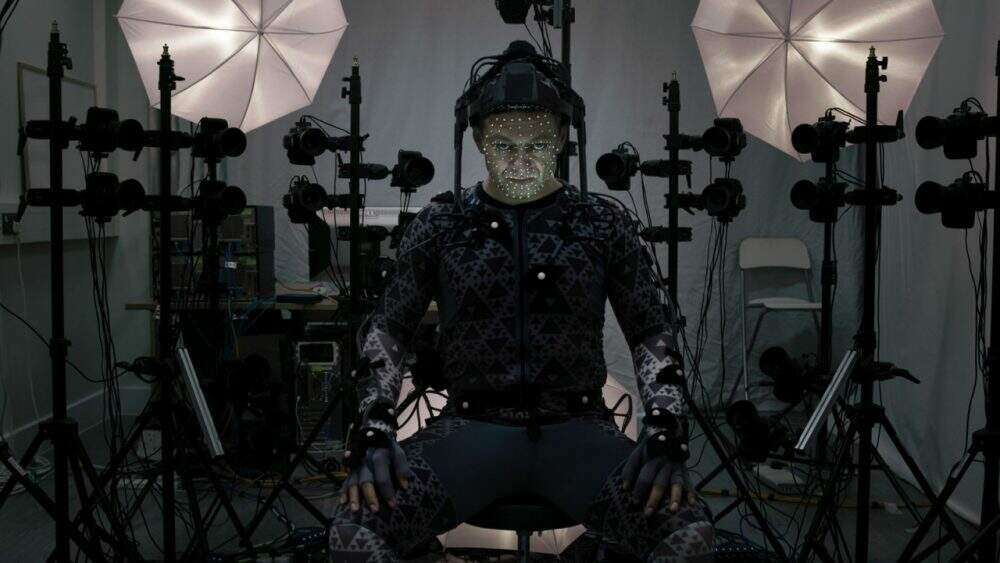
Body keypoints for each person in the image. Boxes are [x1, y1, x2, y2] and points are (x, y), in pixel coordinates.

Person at [328, 41, 714, 562]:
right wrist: (375, 425)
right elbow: (388, 329)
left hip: (578, 430)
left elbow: (652, 331)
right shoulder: (443, 223)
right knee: (354, 534)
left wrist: (664, 424)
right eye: (504, 145)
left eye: (537, 144)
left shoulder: (602, 223)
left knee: (688, 537)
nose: (520, 160)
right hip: (469, 430)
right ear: (479, 140)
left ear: (562, 139)